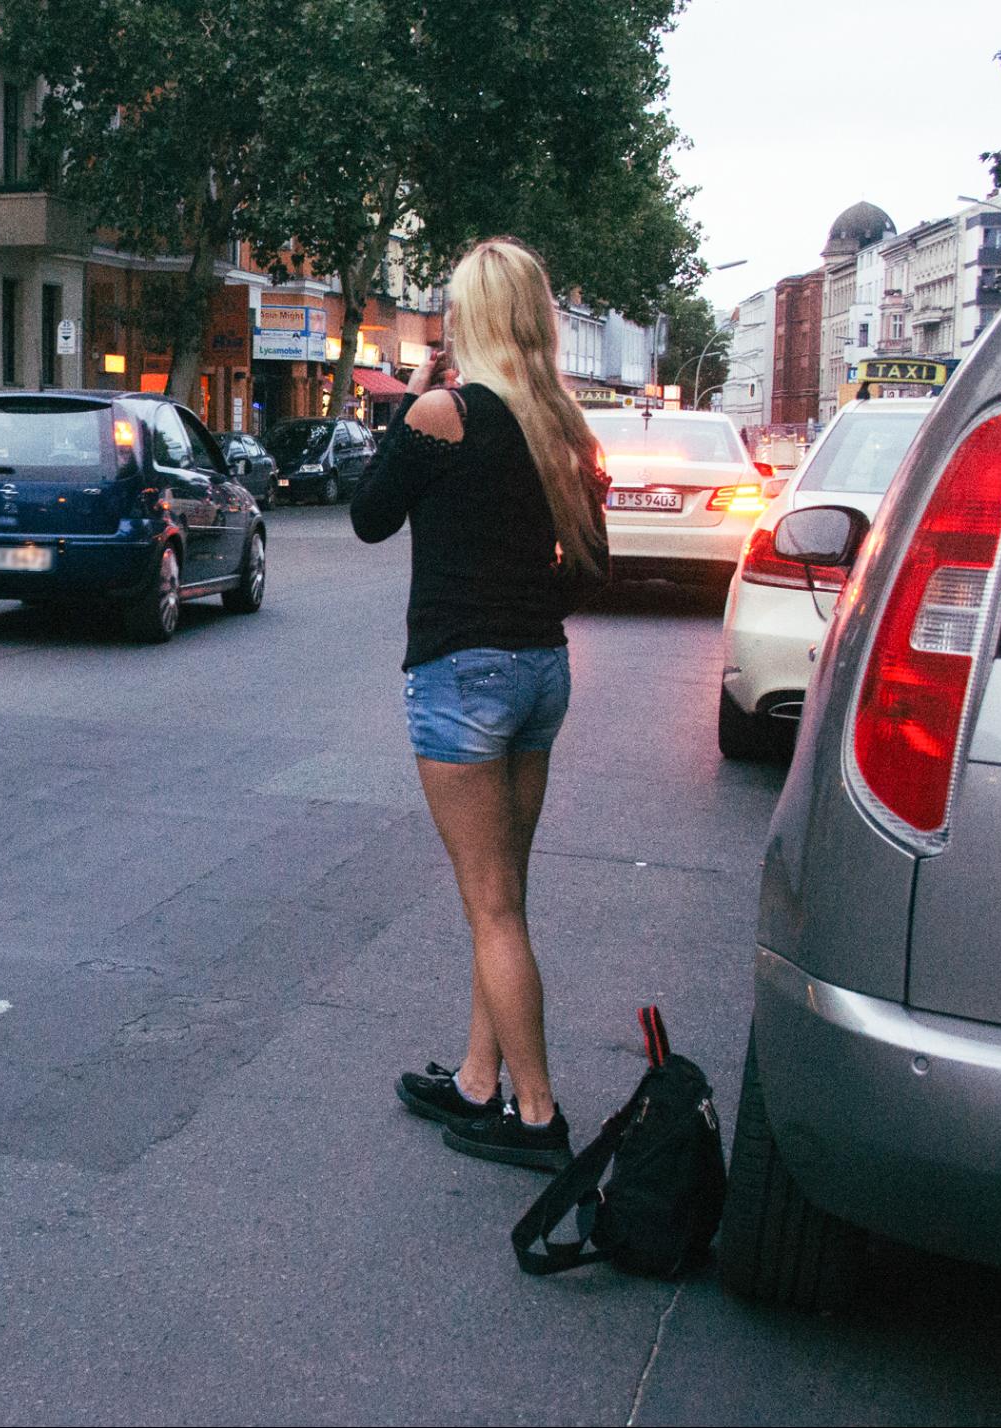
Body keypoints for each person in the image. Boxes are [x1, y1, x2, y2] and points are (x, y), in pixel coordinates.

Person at [350, 237, 608, 1172]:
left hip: (463, 677)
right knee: (500, 895)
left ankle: (535, 1116)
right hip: (542, 674)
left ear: (470, 320)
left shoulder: (442, 413)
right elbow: (590, 564)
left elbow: (368, 517)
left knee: (492, 905)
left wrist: (415, 397)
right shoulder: (562, 424)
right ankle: (473, 1079)